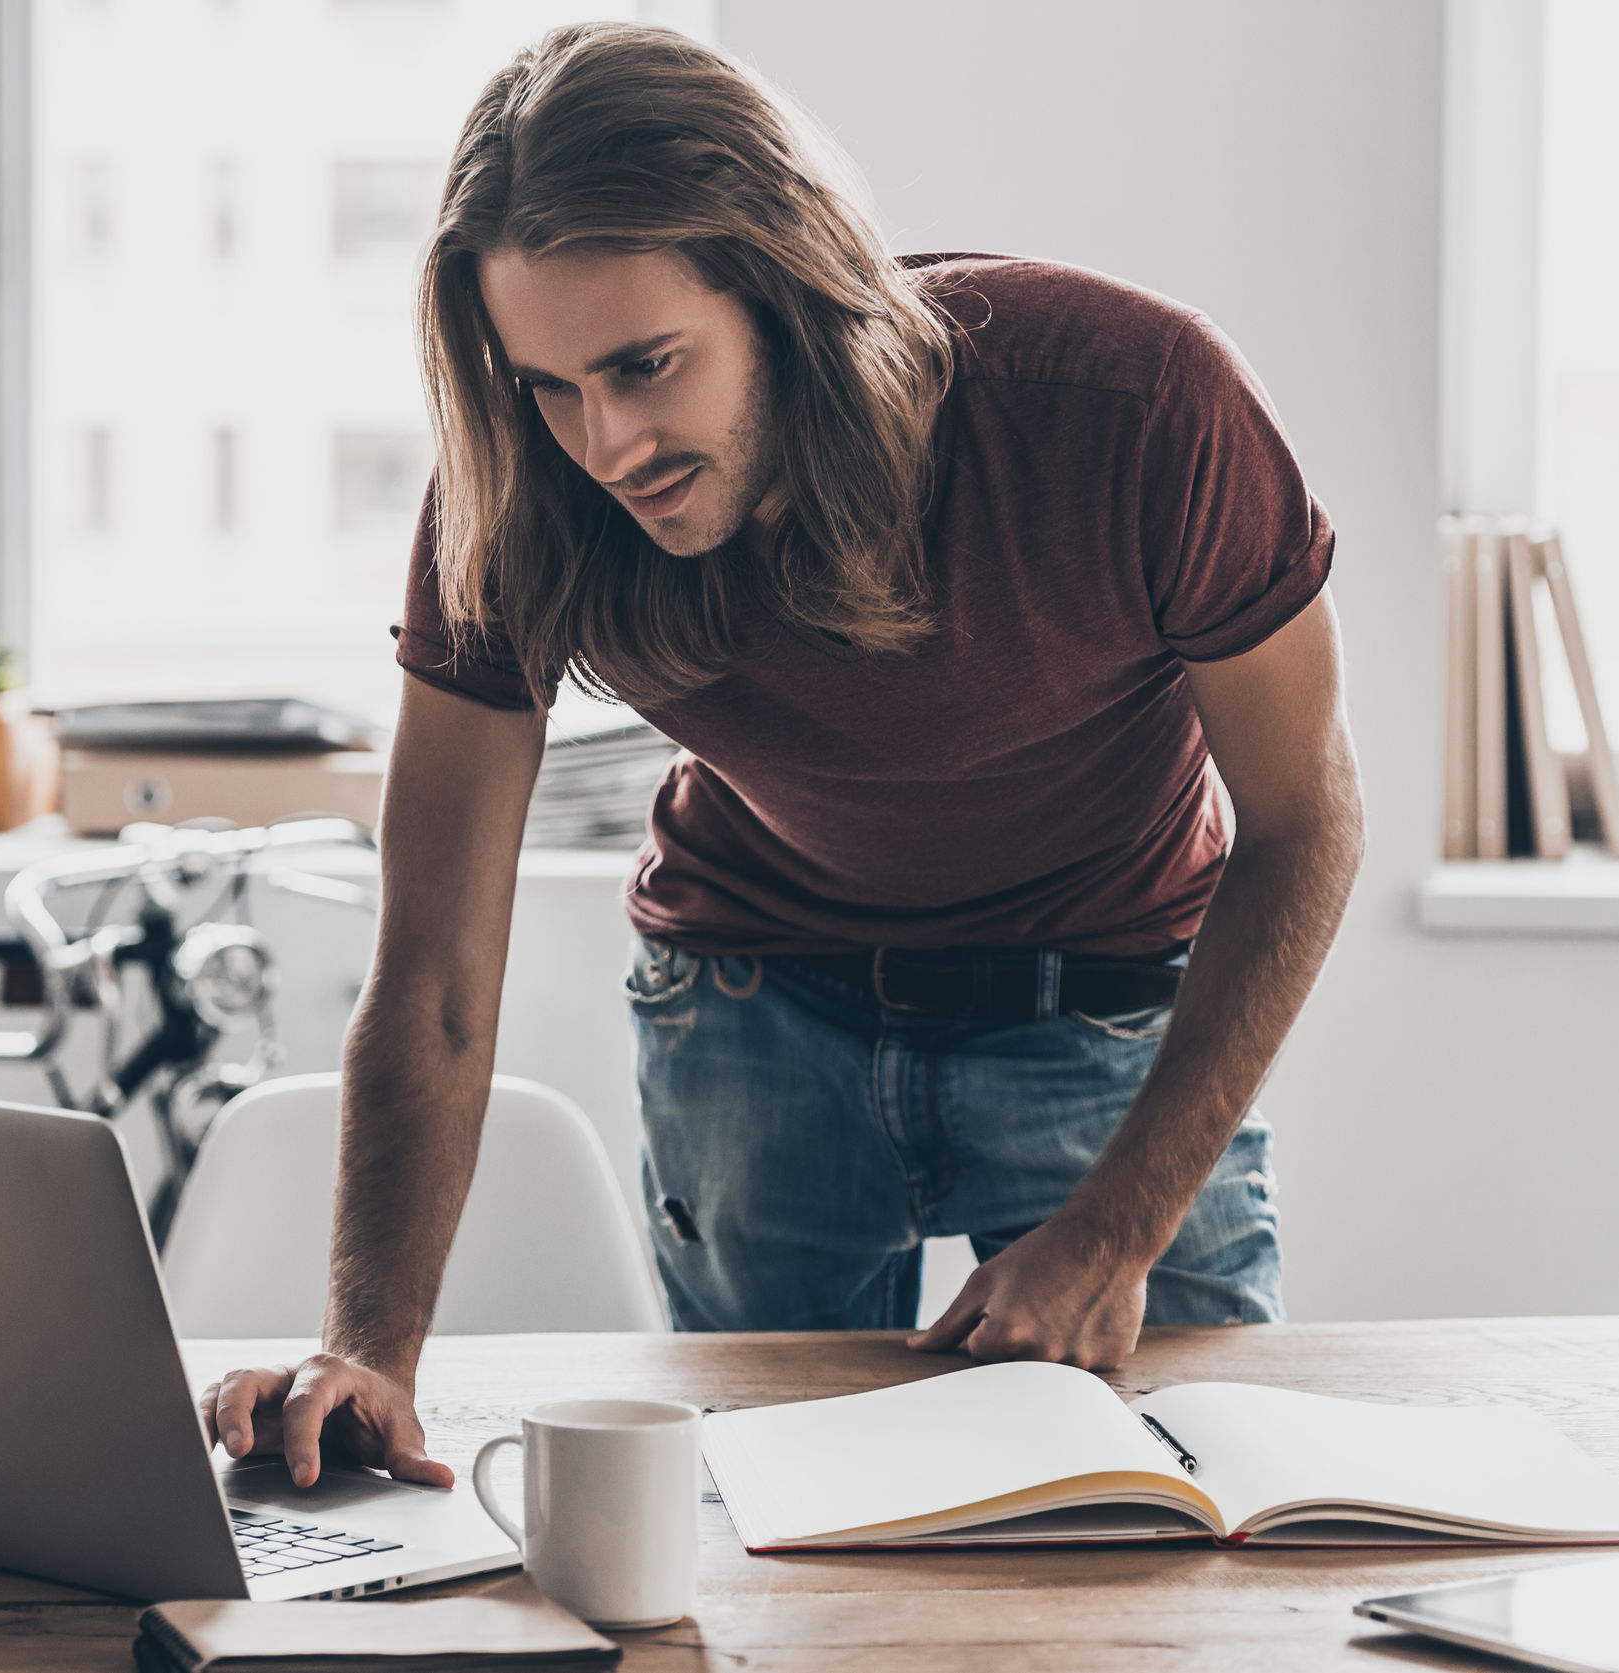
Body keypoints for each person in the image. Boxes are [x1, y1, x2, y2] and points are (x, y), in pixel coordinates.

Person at [200, 21, 1363, 1490]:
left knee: (1198, 1517)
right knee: (770, 1536)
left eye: (643, 364)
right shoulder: (517, 496)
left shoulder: (1143, 408)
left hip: (1111, 1014)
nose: (606, 444)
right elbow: (431, 973)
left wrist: (1120, 1224)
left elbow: (1306, 822)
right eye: (549, 384)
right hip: (754, 1019)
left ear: (789, 283)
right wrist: (368, 1345)